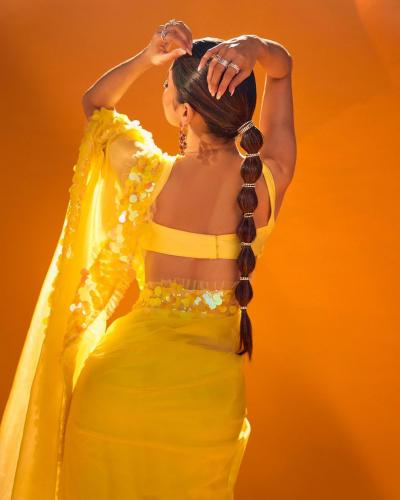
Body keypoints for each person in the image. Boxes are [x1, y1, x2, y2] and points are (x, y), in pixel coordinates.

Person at [0, 19, 295, 500]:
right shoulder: (267, 182)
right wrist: (257, 48)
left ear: (184, 113)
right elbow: (283, 70)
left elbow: (95, 104)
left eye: (165, 87)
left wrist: (146, 57)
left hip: (116, 392)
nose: (163, 91)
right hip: (206, 409)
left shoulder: (146, 174)